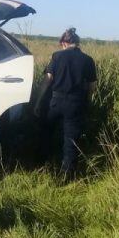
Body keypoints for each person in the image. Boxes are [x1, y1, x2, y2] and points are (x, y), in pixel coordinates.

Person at [41, 27, 97, 178]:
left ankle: (44, 164)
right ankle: (66, 175)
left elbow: (47, 80)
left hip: (56, 101)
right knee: (71, 140)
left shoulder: (57, 56)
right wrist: (88, 101)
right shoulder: (88, 60)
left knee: (47, 131)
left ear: (64, 43)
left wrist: (38, 101)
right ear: (77, 43)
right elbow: (92, 86)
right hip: (76, 103)